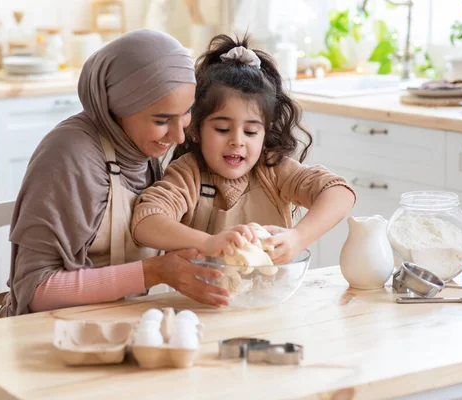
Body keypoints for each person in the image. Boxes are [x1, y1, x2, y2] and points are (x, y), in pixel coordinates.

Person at [0, 29, 230, 319]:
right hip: (49, 333)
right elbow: (35, 291)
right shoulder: (70, 156)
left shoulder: (143, 151)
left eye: (185, 113)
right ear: (117, 109)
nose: (178, 136)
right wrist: (154, 272)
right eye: (161, 120)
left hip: (117, 324)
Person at [131, 34, 356, 264]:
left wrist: (299, 237)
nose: (237, 141)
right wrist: (208, 243)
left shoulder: (273, 170)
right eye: (222, 129)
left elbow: (339, 191)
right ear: (196, 130)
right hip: (200, 298)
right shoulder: (188, 174)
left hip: (271, 296)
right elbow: (145, 222)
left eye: (250, 132)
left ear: (265, 133)